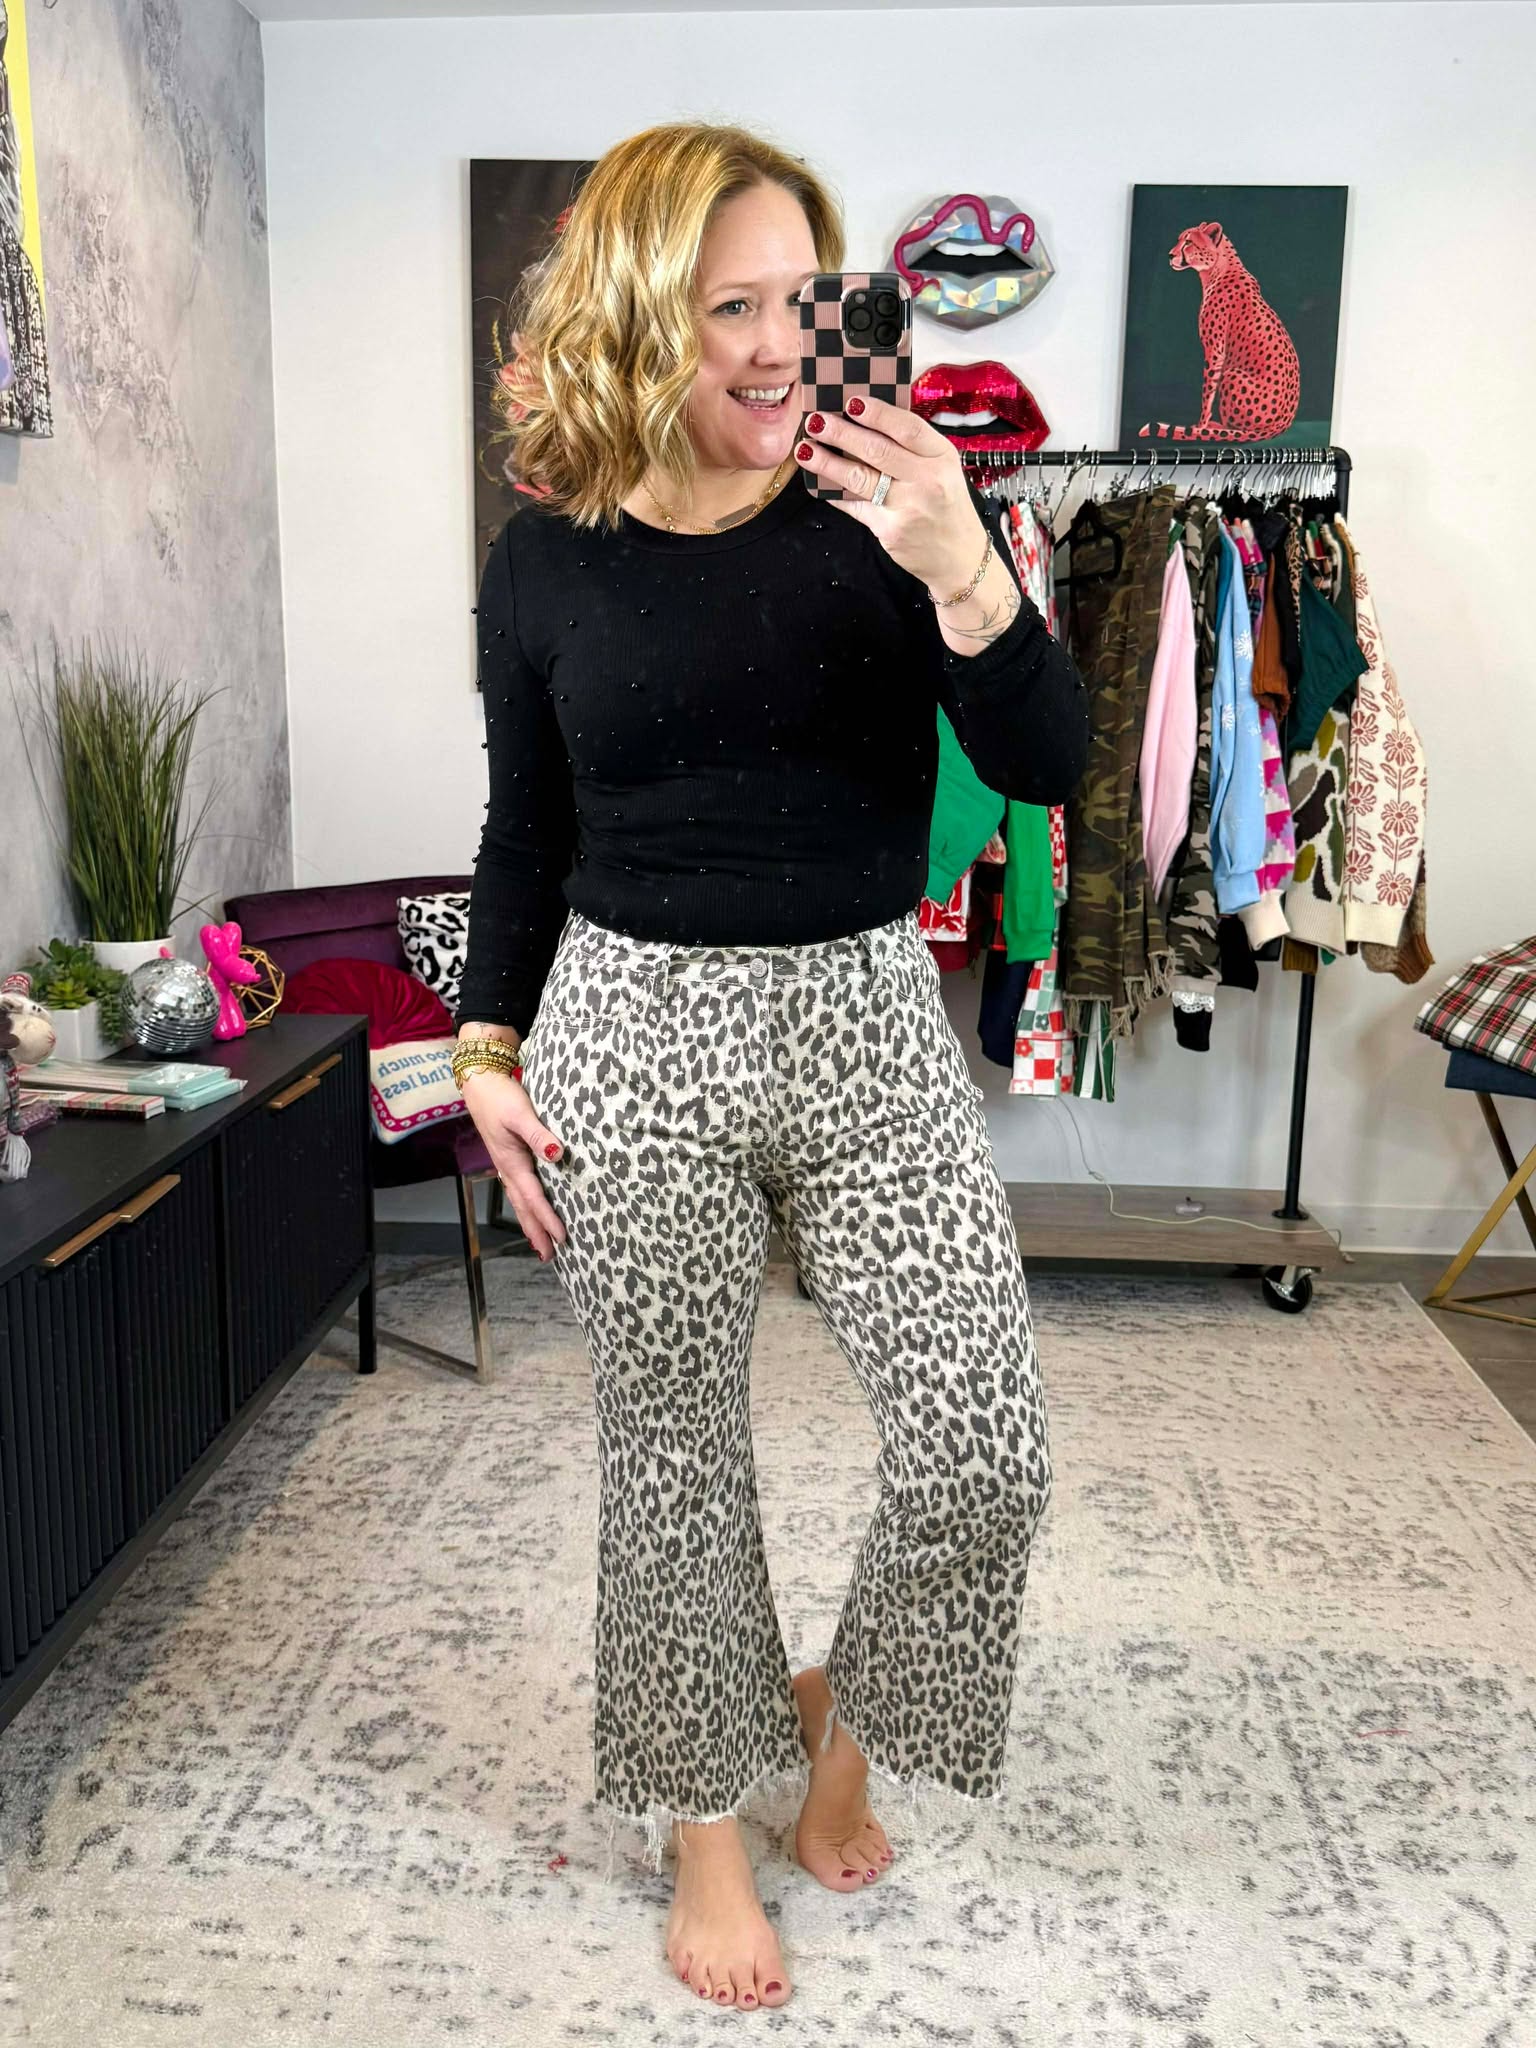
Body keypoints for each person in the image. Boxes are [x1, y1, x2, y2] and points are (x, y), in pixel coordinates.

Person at [453, 121, 1088, 2014]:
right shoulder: (543, 562)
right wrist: (483, 1048)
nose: (773, 346)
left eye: (803, 299)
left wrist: (965, 567)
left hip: (867, 1019)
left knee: (985, 1446)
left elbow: (1048, 763)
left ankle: (842, 1727)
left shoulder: (891, 514)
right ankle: (706, 1832)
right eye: (729, 304)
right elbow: (523, 835)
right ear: (641, 312)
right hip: (632, 1031)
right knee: (673, 1459)